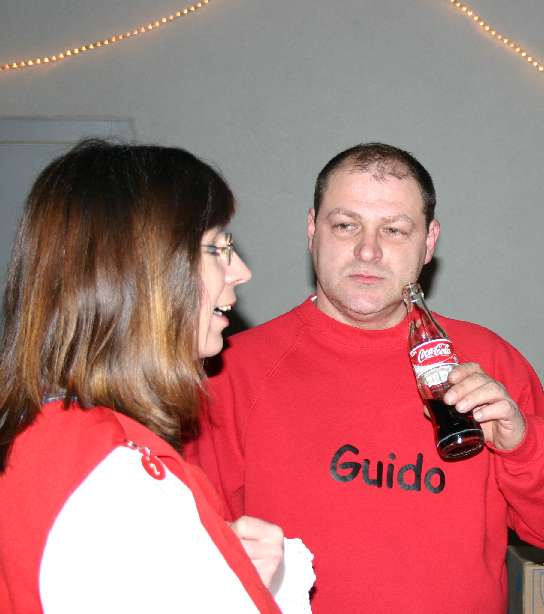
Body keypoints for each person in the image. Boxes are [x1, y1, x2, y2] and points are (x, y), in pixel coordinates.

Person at [187, 142, 544, 613]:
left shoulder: (490, 360)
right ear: (312, 231)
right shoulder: (233, 371)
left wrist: (523, 445)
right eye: (346, 225)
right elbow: (186, 560)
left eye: (394, 230)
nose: (368, 250)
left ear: (429, 242)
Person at [0, 140, 312, 613]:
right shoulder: (112, 480)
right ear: (143, 271)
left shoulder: (56, 439)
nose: (241, 272)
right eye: (216, 248)